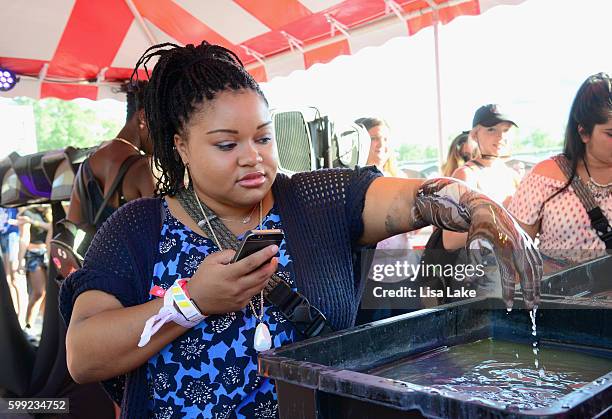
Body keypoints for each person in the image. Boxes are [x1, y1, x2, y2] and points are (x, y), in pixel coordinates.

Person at [59, 41, 540, 418]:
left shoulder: (319, 201)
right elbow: (83, 356)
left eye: (264, 137)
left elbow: (418, 197)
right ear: (182, 146)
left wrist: (479, 207)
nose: (254, 156)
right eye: (227, 144)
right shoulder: (137, 229)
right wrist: (190, 302)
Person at [508, 72, 612, 268]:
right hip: (559, 296)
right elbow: (515, 255)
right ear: (583, 132)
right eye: (610, 134)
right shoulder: (545, 177)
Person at [65, 80, 154, 232]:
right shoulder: (144, 168)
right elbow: (160, 231)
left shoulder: (86, 166)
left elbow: (73, 224)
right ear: (143, 118)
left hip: (93, 255)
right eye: (165, 126)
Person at [443, 104, 522, 251]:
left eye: (505, 130)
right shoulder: (466, 175)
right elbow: (450, 240)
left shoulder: (512, 175)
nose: (501, 136)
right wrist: (499, 217)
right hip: (478, 269)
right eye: (491, 129)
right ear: (474, 135)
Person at [17, 205, 52, 337]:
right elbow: (24, 238)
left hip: (47, 253)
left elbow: (51, 227)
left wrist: (33, 222)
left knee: (48, 294)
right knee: (38, 292)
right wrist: (20, 260)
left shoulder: (51, 211)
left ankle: (45, 326)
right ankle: (28, 326)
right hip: (33, 254)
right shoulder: (27, 212)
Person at [0, 206, 22, 320]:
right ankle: (13, 313)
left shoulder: (12, 199)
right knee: (7, 279)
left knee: (13, 279)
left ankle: (19, 314)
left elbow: (24, 218)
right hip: (3, 237)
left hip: (12, 236)